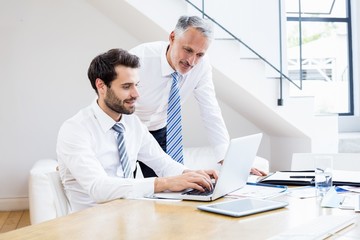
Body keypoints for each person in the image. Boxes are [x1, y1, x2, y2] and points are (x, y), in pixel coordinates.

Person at [56, 48, 218, 212]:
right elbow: (99, 188)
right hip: (91, 226)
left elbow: (162, 162)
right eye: (126, 86)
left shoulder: (132, 123)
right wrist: (164, 183)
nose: (136, 94)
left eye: (136, 85)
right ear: (101, 86)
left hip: (132, 217)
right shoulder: (75, 129)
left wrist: (191, 175)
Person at [129, 15, 266, 177]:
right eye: (188, 50)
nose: (192, 61)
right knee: (121, 187)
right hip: (128, 128)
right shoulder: (139, 58)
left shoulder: (202, 67)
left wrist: (228, 159)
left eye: (200, 54)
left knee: (167, 187)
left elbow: (210, 111)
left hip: (160, 130)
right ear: (172, 37)